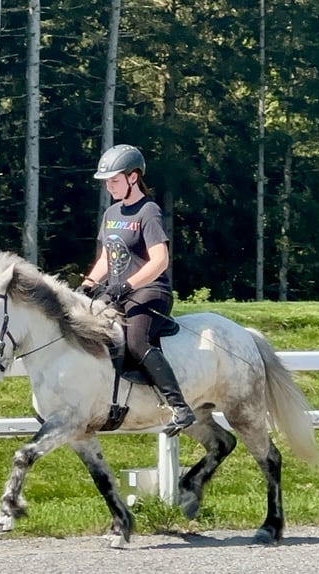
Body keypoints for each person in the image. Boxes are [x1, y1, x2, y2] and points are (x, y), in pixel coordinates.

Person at [76, 144, 196, 437]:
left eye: (114, 180)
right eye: (106, 181)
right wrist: (88, 285)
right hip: (119, 291)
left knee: (137, 342)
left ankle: (180, 407)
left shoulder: (149, 211)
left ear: (133, 177)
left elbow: (160, 261)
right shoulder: (112, 213)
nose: (109, 186)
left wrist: (128, 285)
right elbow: (107, 257)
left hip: (150, 291)